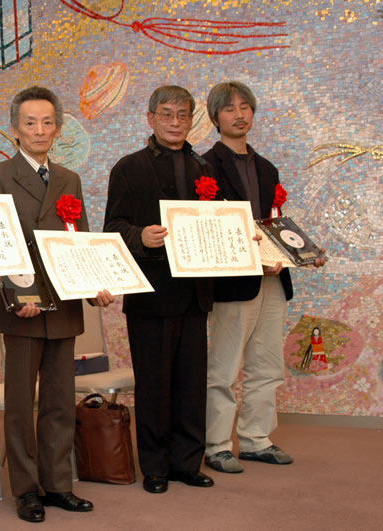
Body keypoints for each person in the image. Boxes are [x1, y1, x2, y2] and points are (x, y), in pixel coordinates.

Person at [0, 86, 114, 523]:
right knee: (21, 405)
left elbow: (80, 241)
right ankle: (26, 490)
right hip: (20, 306)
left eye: (48, 122)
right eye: (30, 122)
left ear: (58, 129)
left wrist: (95, 286)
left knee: (59, 401)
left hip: (63, 305)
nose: (39, 130)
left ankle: (58, 485)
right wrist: (15, 295)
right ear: (14, 128)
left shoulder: (69, 179)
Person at [202, 81, 325, 473]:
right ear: (215, 117)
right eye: (229, 108)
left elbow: (274, 225)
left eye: (245, 107)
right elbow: (210, 229)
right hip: (234, 282)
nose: (239, 115)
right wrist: (255, 259)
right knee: (224, 368)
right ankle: (217, 444)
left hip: (274, 279)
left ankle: (256, 439)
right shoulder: (204, 167)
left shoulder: (267, 167)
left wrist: (302, 253)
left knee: (267, 365)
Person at [103, 85, 215, 494]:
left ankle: (188, 462)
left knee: (191, 385)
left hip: (196, 293)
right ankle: (154, 466)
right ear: (150, 118)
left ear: (191, 120)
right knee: (153, 385)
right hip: (151, 294)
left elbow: (217, 222)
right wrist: (140, 236)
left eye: (183, 115)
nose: (175, 122)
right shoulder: (129, 167)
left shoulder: (205, 166)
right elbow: (113, 227)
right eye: (167, 114)